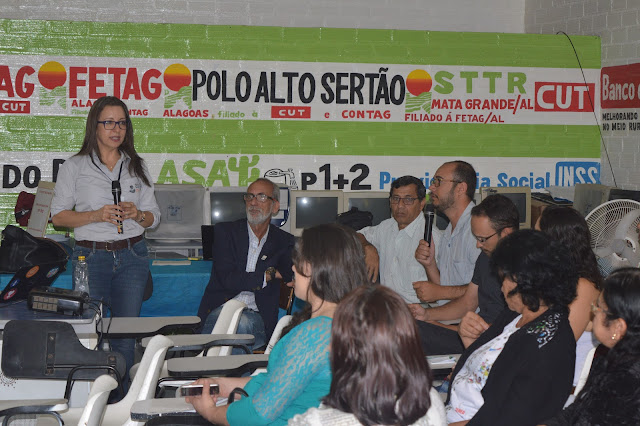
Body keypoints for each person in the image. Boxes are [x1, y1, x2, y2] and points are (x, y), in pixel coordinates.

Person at [186, 224, 369, 425]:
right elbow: (279, 381)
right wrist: (221, 385)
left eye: (297, 261)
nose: (292, 268)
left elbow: (257, 414)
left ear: (312, 267)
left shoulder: (313, 335)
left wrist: (210, 412)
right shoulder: (351, 323)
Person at [445, 230, 578, 426]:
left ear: (524, 282)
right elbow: (490, 371)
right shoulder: (515, 314)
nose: (501, 287)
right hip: (453, 411)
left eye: (504, 278)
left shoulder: (548, 346)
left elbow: (509, 418)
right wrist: (470, 341)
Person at [289, 285, 446, 426]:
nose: (329, 347)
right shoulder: (431, 402)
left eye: (336, 338)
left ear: (348, 351)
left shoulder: (316, 422)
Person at [410, 194, 518, 355]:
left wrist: (442, 326)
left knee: (410, 333)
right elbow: (468, 303)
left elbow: (508, 330)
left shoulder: (523, 266)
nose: (478, 244)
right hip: (473, 334)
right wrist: (426, 315)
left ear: (506, 233)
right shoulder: (486, 257)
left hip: (494, 344)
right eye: (476, 238)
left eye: (482, 239)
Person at [196, 178, 294, 350]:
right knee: (231, 325)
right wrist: (267, 275)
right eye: (249, 197)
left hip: (257, 315)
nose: (253, 202)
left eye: (261, 197)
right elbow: (228, 279)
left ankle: (213, 365)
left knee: (240, 325)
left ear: (275, 206)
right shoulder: (225, 232)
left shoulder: (284, 241)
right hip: (221, 309)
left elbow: (290, 274)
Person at [541, 267, 640, 425]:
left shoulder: (627, 382)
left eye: (598, 307)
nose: (593, 312)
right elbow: (579, 409)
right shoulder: (611, 357)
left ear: (618, 327)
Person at [536, 205, 602, 391]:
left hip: (566, 386)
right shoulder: (552, 279)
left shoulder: (583, 287)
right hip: (546, 375)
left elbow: (557, 345)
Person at [413, 161, 481, 303]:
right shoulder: (448, 232)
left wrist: (440, 293)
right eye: (433, 181)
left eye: (438, 181)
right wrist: (430, 264)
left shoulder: (477, 230)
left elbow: (485, 288)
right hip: (448, 313)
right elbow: (443, 292)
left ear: (460, 188)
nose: (431, 187)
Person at [356, 175, 428, 303]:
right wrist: (368, 247)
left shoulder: (431, 237)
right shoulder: (386, 227)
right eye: (396, 199)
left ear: (422, 203)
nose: (400, 205)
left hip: (418, 310)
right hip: (386, 307)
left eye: (408, 200)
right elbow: (356, 235)